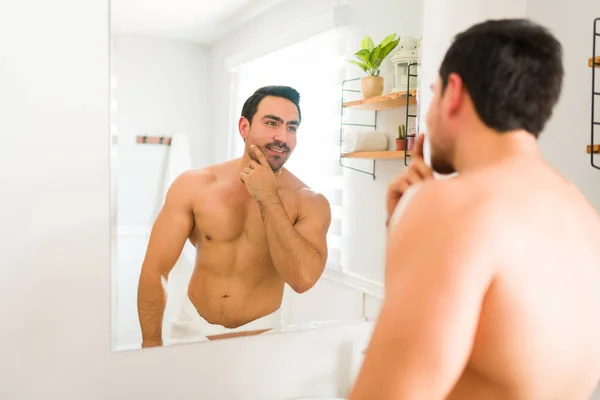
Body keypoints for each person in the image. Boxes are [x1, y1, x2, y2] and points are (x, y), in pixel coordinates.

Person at [350, 18, 600, 400]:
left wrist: (425, 214)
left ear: (453, 93)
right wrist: (402, 227)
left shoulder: (453, 208)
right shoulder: (583, 216)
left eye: (432, 94)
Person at [137, 85, 332, 348]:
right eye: (272, 123)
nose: (282, 137)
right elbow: (155, 270)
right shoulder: (195, 185)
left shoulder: (309, 201)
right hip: (191, 329)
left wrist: (267, 197)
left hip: (264, 335)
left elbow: (303, 280)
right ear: (244, 127)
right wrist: (150, 344)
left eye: (292, 127)